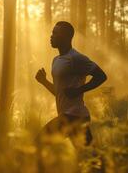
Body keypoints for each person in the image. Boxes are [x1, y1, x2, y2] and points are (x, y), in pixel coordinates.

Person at [35, 21, 107, 149]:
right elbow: (59, 93)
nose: (51, 36)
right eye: (52, 33)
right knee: (90, 159)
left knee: (39, 143)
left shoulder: (76, 58)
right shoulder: (56, 60)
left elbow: (101, 76)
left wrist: (79, 90)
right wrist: (44, 81)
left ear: (66, 37)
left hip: (74, 117)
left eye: (55, 33)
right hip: (71, 117)